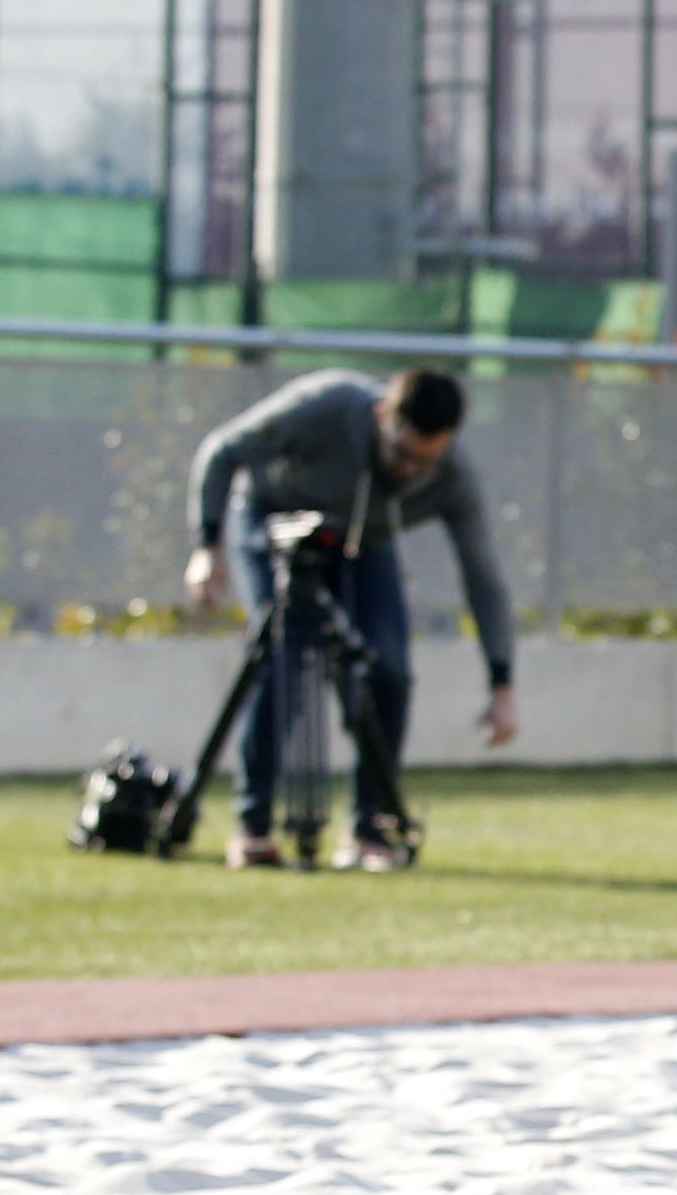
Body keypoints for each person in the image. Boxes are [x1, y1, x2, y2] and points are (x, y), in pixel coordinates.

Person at [181, 365, 521, 869]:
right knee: (283, 659)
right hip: (274, 520)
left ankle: (369, 828)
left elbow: (483, 578)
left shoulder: (453, 477)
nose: (409, 470)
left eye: (423, 461)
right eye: (401, 453)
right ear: (383, 415)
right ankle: (253, 826)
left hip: (362, 542)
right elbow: (223, 450)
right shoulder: (328, 405)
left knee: (388, 668)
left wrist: (501, 686)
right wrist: (207, 544)